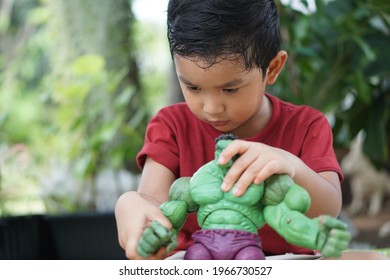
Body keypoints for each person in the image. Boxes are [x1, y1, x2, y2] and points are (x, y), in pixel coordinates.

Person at [115, 0, 388, 260]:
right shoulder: (171, 125)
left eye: (230, 89)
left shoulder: (307, 125)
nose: (211, 107)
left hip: (287, 264)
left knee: (370, 261)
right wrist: (130, 206)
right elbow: (151, 199)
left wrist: (289, 164)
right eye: (193, 87)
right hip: (200, 261)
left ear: (272, 69)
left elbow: (328, 208)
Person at [136, 134, 351, 260]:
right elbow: (171, 212)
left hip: (245, 244)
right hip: (205, 243)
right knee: (195, 260)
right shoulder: (197, 180)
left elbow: (282, 216)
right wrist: (155, 235)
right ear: (215, 152)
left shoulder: (261, 177)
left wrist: (313, 234)